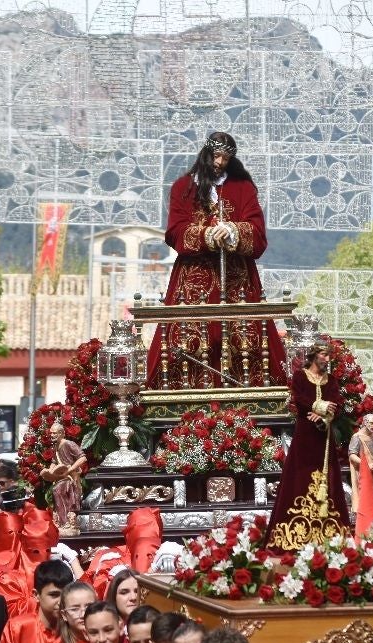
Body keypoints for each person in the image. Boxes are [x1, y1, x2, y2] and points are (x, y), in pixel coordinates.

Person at [146, 130, 285, 389]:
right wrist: (206, 234)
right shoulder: (182, 188)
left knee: (244, 336)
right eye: (216, 156)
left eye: (225, 158)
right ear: (206, 154)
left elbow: (258, 233)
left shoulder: (242, 188)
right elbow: (175, 231)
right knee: (187, 337)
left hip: (236, 279)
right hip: (193, 278)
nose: (220, 162)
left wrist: (234, 230)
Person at [266, 343, 351, 549]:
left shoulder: (331, 381)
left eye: (329, 356)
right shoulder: (300, 376)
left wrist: (323, 416)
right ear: (314, 356)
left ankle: (328, 535)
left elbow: (336, 404)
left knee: (328, 477)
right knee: (300, 477)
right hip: (305, 437)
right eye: (324, 355)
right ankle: (296, 534)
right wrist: (317, 407)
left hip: (324, 437)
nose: (327, 360)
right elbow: (300, 398)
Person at [39, 421, 86, 533]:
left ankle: (66, 522)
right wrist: (49, 472)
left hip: (71, 477)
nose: (52, 436)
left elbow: (83, 458)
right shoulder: (56, 447)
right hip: (61, 477)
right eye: (51, 434)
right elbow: (54, 461)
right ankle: (61, 521)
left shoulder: (68, 444)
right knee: (56, 491)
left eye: (54, 433)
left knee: (57, 490)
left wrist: (69, 469)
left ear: (61, 433)